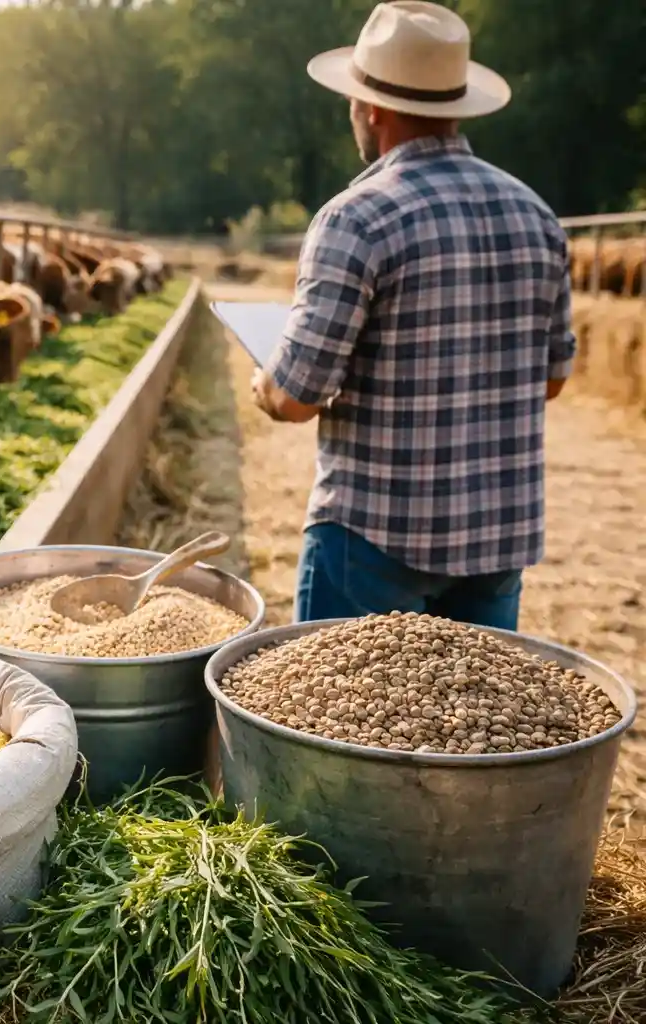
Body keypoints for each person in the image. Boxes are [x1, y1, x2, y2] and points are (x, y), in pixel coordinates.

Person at [250, 1, 573, 632]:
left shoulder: (356, 217)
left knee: (343, 726)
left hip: (373, 538)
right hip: (495, 541)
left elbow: (294, 397)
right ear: (456, 107)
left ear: (371, 108)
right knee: (468, 726)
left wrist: (264, 377)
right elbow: (552, 381)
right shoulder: (537, 215)